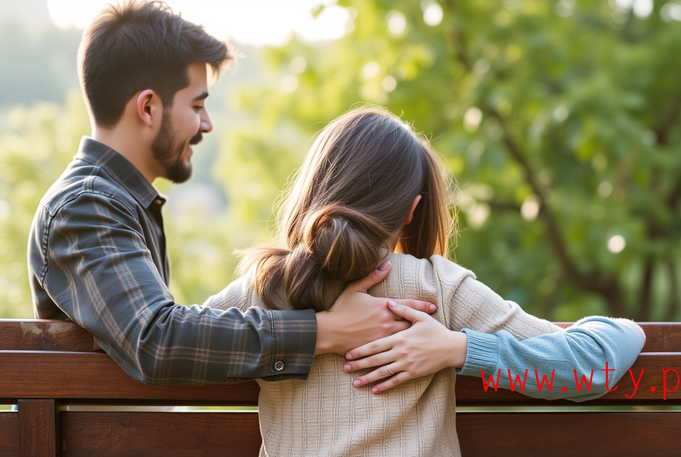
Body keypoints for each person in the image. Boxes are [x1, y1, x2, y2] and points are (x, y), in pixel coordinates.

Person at [26, 0, 436, 387]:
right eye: (197, 105)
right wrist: (326, 331)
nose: (206, 125)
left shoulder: (117, 201)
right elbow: (157, 338)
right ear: (148, 108)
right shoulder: (85, 206)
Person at [206, 107, 646, 456]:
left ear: (314, 187)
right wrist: (462, 349)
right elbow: (595, 366)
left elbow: (162, 341)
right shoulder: (436, 288)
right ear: (412, 210)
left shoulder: (260, 290)